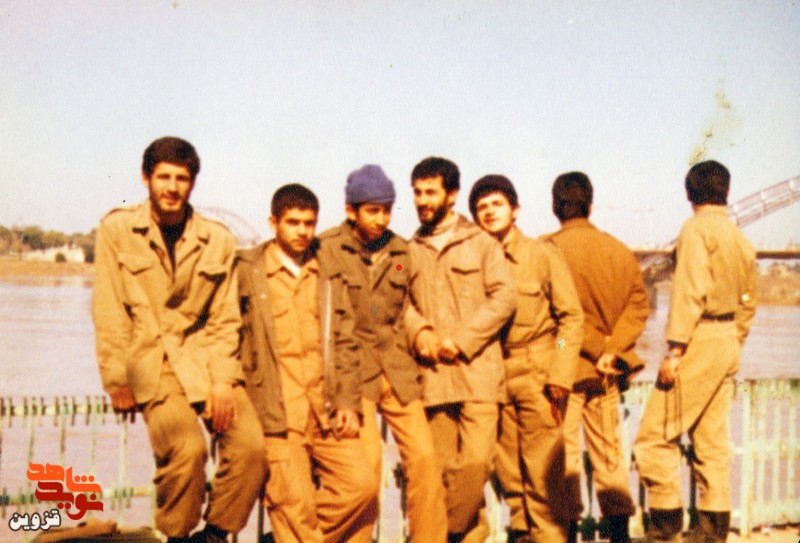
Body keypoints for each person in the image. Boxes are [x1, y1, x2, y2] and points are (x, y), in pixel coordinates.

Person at [92, 137, 265, 543]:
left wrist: (223, 379)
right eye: (164, 177)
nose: (172, 187)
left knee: (251, 449)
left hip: (205, 362)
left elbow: (225, 316)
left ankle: (216, 535)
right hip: (151, 364)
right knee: (187, 451)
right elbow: (109, 309)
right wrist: (116, 378)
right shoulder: (117, 230)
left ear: (193, 183)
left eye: (182, 179)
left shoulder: (217, 239)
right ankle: (175, 536)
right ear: (146, 178)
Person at [236, 184, 379, 543]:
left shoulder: (328, 270)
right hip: (278, 415)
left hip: (325, 409)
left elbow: (346, 340)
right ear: (273, 223)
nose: (302, 231)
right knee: (293, 502)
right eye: (293, 222)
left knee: (362, 487)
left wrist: (347, 402)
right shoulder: (248, 271)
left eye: (309, 223)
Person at [318, 165, 448, 542]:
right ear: (351, 211)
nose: (381, 219)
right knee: (368, 467)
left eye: (387, 210)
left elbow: (405, 308)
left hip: (397, 369)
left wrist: (422, 332)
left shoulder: (400, 250)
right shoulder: (327, 249)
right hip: (352, 371)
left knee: (425, 461)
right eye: (373, 211)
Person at [634, 161, 757, 543]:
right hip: (727, 338)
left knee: (654, 436)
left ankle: (665, 526)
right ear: (727, 191)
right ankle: (712, 530)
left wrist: (675, 350)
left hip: (698, 338)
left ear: (689, 193)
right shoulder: (739, 237)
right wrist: (733, 339)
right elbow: (749, 299)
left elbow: (689, 291)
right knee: (711, 441)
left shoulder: (695, 229)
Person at [404, 157, 516, 543]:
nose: (422, 200)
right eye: (417, 193)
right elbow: (396, 303)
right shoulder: (407, 252)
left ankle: (443, 534)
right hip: (433, 379)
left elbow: (504, 298)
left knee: (475, 464)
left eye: (431, 192)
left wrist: (463, 340)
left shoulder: (482, 244)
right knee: (442, 471)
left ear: (451, 195)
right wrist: (419, 332)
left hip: (479, 374)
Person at [469, 175, 584, 543]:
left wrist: (560, 373)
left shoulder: (542, 255)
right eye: (482, 207)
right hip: (495, 374)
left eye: (497, 204)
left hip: (538, 371)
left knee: (544, 474)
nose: (490, 212)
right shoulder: (475, 260)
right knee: (509, 473)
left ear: (515, 210)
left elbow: (571, 319)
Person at [547, 171, 650, 543]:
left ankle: (569, 532)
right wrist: (612, 349)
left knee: (565, 456)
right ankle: (619, 533)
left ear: (555, 207)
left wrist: (587, 346)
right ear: (590, 205)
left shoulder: (546, 250)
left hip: (563, 367)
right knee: (609, 455)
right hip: (605, 372)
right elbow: (638, 307)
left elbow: (554, 319)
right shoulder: (618, 250)